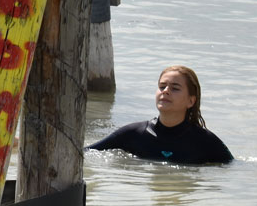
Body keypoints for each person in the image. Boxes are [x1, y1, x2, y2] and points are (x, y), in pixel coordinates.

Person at [87, 65, 233, 165]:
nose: (166, 91)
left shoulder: (205, 141)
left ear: (191, 101)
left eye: (175, 88)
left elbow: (233, 170)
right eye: (162, 87)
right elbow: (86, 153)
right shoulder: (133, 133)